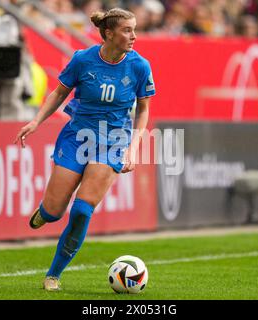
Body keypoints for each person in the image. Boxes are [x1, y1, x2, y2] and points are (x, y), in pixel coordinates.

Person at [14, 7, 155, 291]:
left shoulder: (140, 66)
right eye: (127, 30)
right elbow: (59, 92)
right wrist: (36, 121)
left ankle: (53, 275)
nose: (134, 36)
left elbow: (143, 110)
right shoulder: (82, 60)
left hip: (113, 142)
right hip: (77, 138)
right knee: (55, 211)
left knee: (81, 210)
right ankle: (46, 212)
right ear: (108, 33)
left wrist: (133, 148)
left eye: (134, 29)